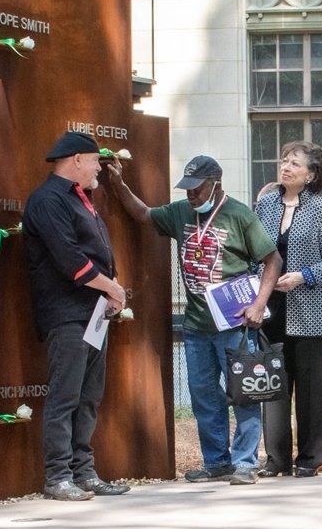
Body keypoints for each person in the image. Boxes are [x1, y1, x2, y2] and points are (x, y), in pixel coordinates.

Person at [101, 151, 275, 486]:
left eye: (198, 187)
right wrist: (119, 184)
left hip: (235, 325)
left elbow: (272, 260)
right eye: (187, 188)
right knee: (203, 395)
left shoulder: (239, 215)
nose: (191, 194)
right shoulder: (181, 212)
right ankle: (217, 462)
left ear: (216, 184)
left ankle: (245, 462)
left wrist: (258, 304)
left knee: (244, 394)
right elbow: (142, 214)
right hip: (196, 325)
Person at [23, 130, 132, 501]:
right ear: (77, 160)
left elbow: (95, 253)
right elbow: (69, 259)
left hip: (93, 313)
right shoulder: (47, 200)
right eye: (96, 161)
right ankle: (58, 477)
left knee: (89, 397)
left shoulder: (80, 198)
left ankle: (84, 472)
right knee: (65, 396)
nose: (100, 167)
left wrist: (111, 285)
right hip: (67, 313)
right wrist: (112, 288)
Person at [256, 140, 322, 477]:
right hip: (272, 311)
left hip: (312, 309)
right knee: (275, 388)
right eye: (284, 161)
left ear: (311, 175)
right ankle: (275, 459)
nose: (286, 167)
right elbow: (255, 253)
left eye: (295, 163)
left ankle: (311, 458)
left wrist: (303, 276)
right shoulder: (265, 205)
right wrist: (260, 283)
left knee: (311, 391)